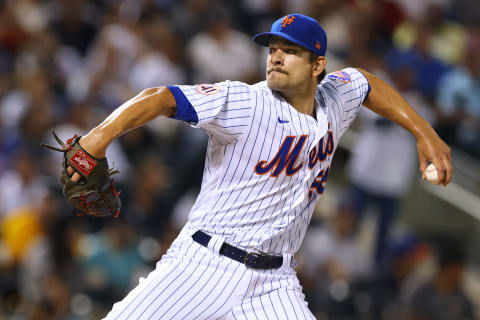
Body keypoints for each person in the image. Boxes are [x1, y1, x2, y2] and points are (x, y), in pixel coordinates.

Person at [67, 14, 452, 319]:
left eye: (291, 51)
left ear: (318, 64)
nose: (276, 57)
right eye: (272, 49)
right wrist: (98, 139)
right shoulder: (245, 102)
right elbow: (162, 96)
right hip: (202, 265)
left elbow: (366, 83)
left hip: (274, 282)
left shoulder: (335, 98)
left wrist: (425, 133)